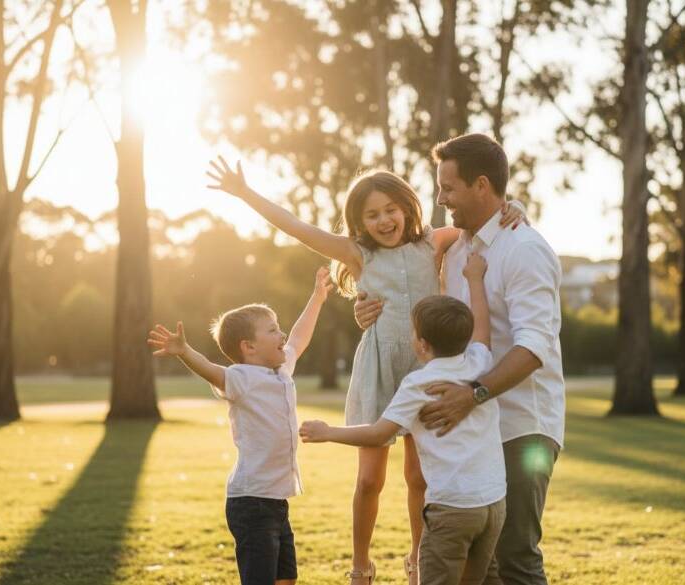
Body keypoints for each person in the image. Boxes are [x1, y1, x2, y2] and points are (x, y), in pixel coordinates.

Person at [206, 158, 526, 584]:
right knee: (370, 480)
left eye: (390, 209)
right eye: (371, 214)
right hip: (379, 368)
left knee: (419, 476)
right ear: (358, 221)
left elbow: (480, 225)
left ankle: (417, 560)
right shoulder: (358, 254)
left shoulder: (432, 242)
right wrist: (246, 193)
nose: (383, 220)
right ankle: (361, 565)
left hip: (424, 367)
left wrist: (514, 205)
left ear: (407, 207)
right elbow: (300, 229)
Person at [354, 134, 565, 585]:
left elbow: (535, 347)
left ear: (482, 186)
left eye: (448, 188)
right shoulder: (458, 249)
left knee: (515, 558)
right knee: (481, 568)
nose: (440, 198)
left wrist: (474, 393)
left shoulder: (524, 249)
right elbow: (424, 310)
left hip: (521, 425)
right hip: (474, 431)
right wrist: (368, 308)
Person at [300, 252, 505, 585]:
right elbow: (483, 327)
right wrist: (475, 279)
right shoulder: (479, 361)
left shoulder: (419, 384)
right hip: (494, 504)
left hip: (451, 509)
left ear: (421, 345)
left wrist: (329, 432)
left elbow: (380, 433)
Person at [147, 267, 332, 585]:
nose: (282, 335)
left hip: (276, 501)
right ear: (249, 347)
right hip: (251, 503)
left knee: (286, 578)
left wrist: (317, 296)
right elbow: (212, 371)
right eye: (273, 330)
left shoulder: (280, 369)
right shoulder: (241, 378)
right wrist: (184, 351)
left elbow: (300, 337)